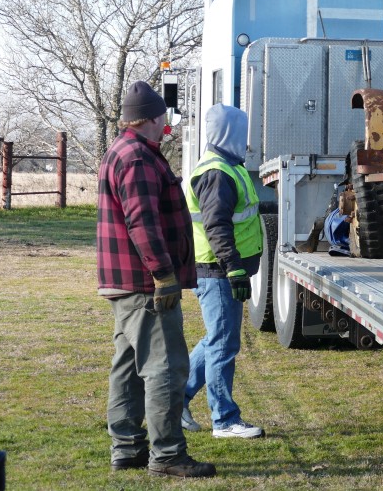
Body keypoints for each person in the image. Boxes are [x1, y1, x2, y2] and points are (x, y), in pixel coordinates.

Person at [97, 81, 215, 478]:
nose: (168, 121)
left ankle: (127, 447)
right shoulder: (137, 159)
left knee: (128, 366)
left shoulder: (123, 151)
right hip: (145, 283)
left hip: (126, 281)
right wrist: (163, 275)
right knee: (166, 367)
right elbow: (142, 222)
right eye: (163, 115)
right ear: (152, 118)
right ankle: (167, 456)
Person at [181, 103, 265, 439]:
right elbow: (217, 226)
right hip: (217, 272)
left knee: (217, 339)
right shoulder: (218, 173)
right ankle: (225, 420)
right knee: (222, 345)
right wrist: (234, 270)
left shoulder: (228, 167)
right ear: (231, 133)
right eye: (241, 133)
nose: (245, 140)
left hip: (217, 270)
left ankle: (176, 400)